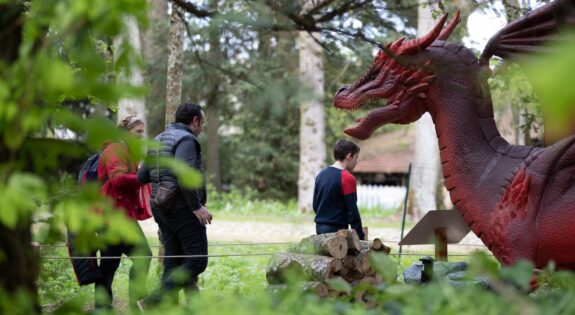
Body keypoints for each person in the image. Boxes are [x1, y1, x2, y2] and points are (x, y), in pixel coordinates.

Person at [137, 103, 212, 306]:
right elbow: (184, 175)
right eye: (202, 122)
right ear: (195, 120)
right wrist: (197, 207)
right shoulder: (187, 139)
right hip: (183, 210)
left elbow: (142, 176)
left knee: (173, 261)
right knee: (197, 260)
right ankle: (152, 302)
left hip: (161, 209)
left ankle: (165, 309)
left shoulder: (157, 140)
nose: (203, 127)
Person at [95, 115, 152, 309]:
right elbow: (118, 180)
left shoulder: (126, 150)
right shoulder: (115, 149)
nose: (141, 137)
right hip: (111, 217)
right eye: (138, 132)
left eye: (142, 133)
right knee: (138, 256)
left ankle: (111, 306)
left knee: (111, 263)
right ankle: (124, 304)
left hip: (120, 215)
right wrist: (143, 177)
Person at [313, 139, 365, 240]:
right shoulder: (347, 177)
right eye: (356, 157)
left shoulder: (321, 175)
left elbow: (315, 205)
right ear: (349, 156)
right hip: (337, 231)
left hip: (319, 228)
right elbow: (352, 212)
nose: (356, 162)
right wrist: (360, 237)